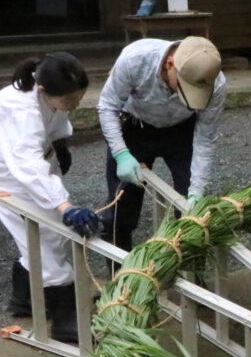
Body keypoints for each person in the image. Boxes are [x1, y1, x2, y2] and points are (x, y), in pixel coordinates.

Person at [0, 53, 101, 343]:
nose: (74, 105)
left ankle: (24, 299)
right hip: (3, 169)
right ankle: (65, 322)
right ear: (44, 91)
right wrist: (65, 206)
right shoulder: (18, 109)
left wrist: (61, 144)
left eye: (78, 99)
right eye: (70, 102)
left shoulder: (49, 90)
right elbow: (27, 166)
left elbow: (55, 119)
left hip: (32, 157)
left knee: (48, 229)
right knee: (45, 232)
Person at [97, 36, 226, 251]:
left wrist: (197, 190)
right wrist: (121, 153)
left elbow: (205, 138)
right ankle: (118, 273)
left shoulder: (214, 82)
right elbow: (107, 106)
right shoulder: (136, 59)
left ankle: (191, 270)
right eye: (184, 87)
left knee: (192, 208)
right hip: (135, 127)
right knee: (121, 208)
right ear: (170, 65)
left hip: (182, 131)